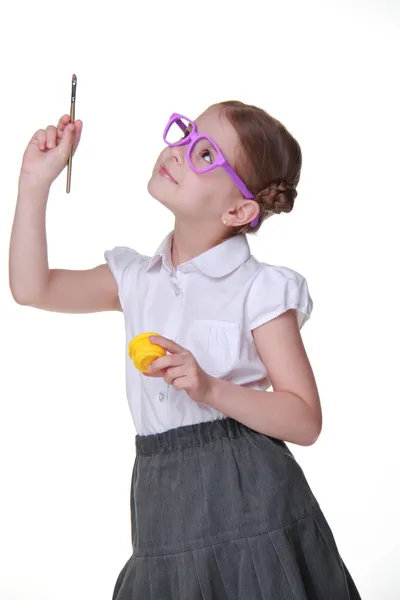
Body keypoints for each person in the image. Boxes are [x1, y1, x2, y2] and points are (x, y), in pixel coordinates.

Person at [9, 100, 362, 599]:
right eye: (184, 135)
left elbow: (304, 418)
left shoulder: (258, 288)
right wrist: (34, 181)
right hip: (159, 500)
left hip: (248, 499)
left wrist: (209, 387)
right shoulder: (135, 277)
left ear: (238, 210)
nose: (175, 151)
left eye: (202, 155)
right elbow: (33, 287)